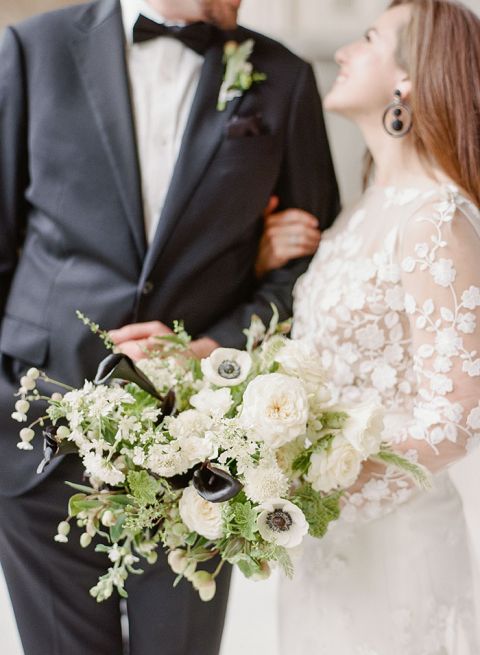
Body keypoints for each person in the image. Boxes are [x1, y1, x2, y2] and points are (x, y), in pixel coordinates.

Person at [0, 0, 339, 653]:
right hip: (37, 434)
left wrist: (214, 350)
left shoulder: (284, 76)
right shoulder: (31, 50)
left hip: (199, 455)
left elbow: (306, 270)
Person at [277, 1, 480, 653]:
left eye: (368, 40)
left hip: (395, 546)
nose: (343, 52)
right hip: (324, 540)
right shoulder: (360, 213)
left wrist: (325, 474)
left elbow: (456, 413)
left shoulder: (434, 218)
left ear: (409, 80)